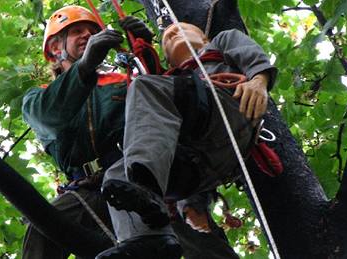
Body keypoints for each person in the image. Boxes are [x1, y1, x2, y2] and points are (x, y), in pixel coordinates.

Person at [22, 5, 241, 259]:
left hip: (140, 177)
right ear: (56, 49)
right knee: (43, 228)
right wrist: (84, 67)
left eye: (92, 31)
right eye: (76, 32)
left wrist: (148, 58)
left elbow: (167, 117)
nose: (86, 36)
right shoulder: (39, 97)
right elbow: (50, 117)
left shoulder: (124, 81)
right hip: (88, 191)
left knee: (202, 244)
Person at [96, 22, 277, 258]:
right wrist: (189, 206)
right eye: (167, 39)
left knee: (144, 86)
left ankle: (147, 189)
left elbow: (249, 52)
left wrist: (259, 80)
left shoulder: (220, 43)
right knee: (116, 172)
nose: (172, 32)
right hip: (200, 160)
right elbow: (155, 128)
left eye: (182, 29)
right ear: (170, 61)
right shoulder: (168, 83)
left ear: (203, 37)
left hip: (227, 113)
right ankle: (149, 238)